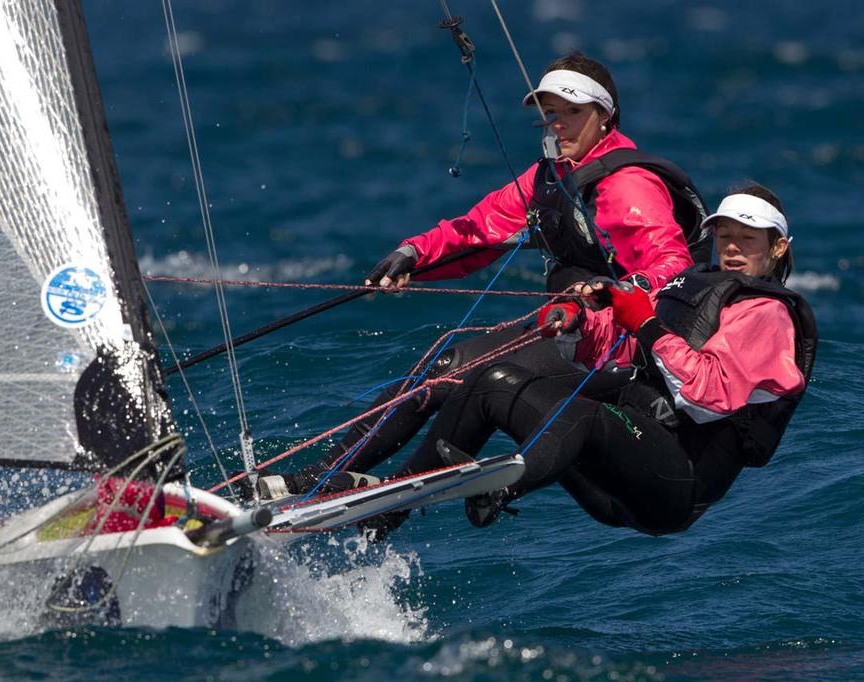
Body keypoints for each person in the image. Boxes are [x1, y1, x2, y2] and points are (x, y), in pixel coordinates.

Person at [260, 52, 708, 500]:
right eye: (552, 113)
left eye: (573, 112)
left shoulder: (627, 183)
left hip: (614, 344)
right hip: (568, 328)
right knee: (443, 370)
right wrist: (413, 252)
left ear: (604, 116)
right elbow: (477, 230)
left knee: (456, 372)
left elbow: (673, 264)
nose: (559, 124)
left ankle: (333, 483)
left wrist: (621, 290)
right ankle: (330, 479)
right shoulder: (550, 175)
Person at [383, 183, 817, 535]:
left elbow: (707, 396)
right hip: (619, 462)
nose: (733, 247)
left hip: (675, 485)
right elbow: (627, 349)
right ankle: (391, 500)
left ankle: (499, 493)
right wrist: (579, 323)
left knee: (584, 415)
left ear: (777, 248)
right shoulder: (701, 286)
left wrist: (646, 324)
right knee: (494, 380)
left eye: (748, 238)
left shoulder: (768, 313)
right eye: (725, 236)